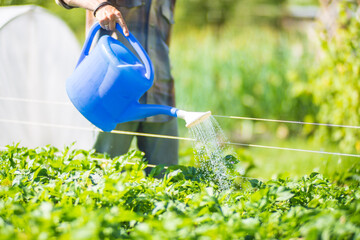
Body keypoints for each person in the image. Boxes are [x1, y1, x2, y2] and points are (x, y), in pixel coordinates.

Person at [56, 0, 178, 173]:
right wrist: (100, 6)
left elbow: (165, 38)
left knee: (168, 180)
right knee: (104, 181)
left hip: (161, 91)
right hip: (110, 92)